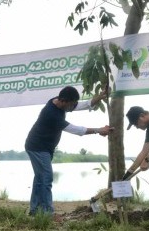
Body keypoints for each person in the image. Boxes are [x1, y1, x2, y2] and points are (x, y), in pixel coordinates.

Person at [25, 86, 113, 216]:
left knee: (40, 178)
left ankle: (35, 210)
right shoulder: (52, 113)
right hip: (38, 147)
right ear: (64, 101)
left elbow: (83, 105)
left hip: (44, 148)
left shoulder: (59, 102)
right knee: (46, 178)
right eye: (71, 105)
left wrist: (100, 96)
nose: (73, 107)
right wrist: (98, 130)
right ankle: (47, 213)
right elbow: (76, 130)